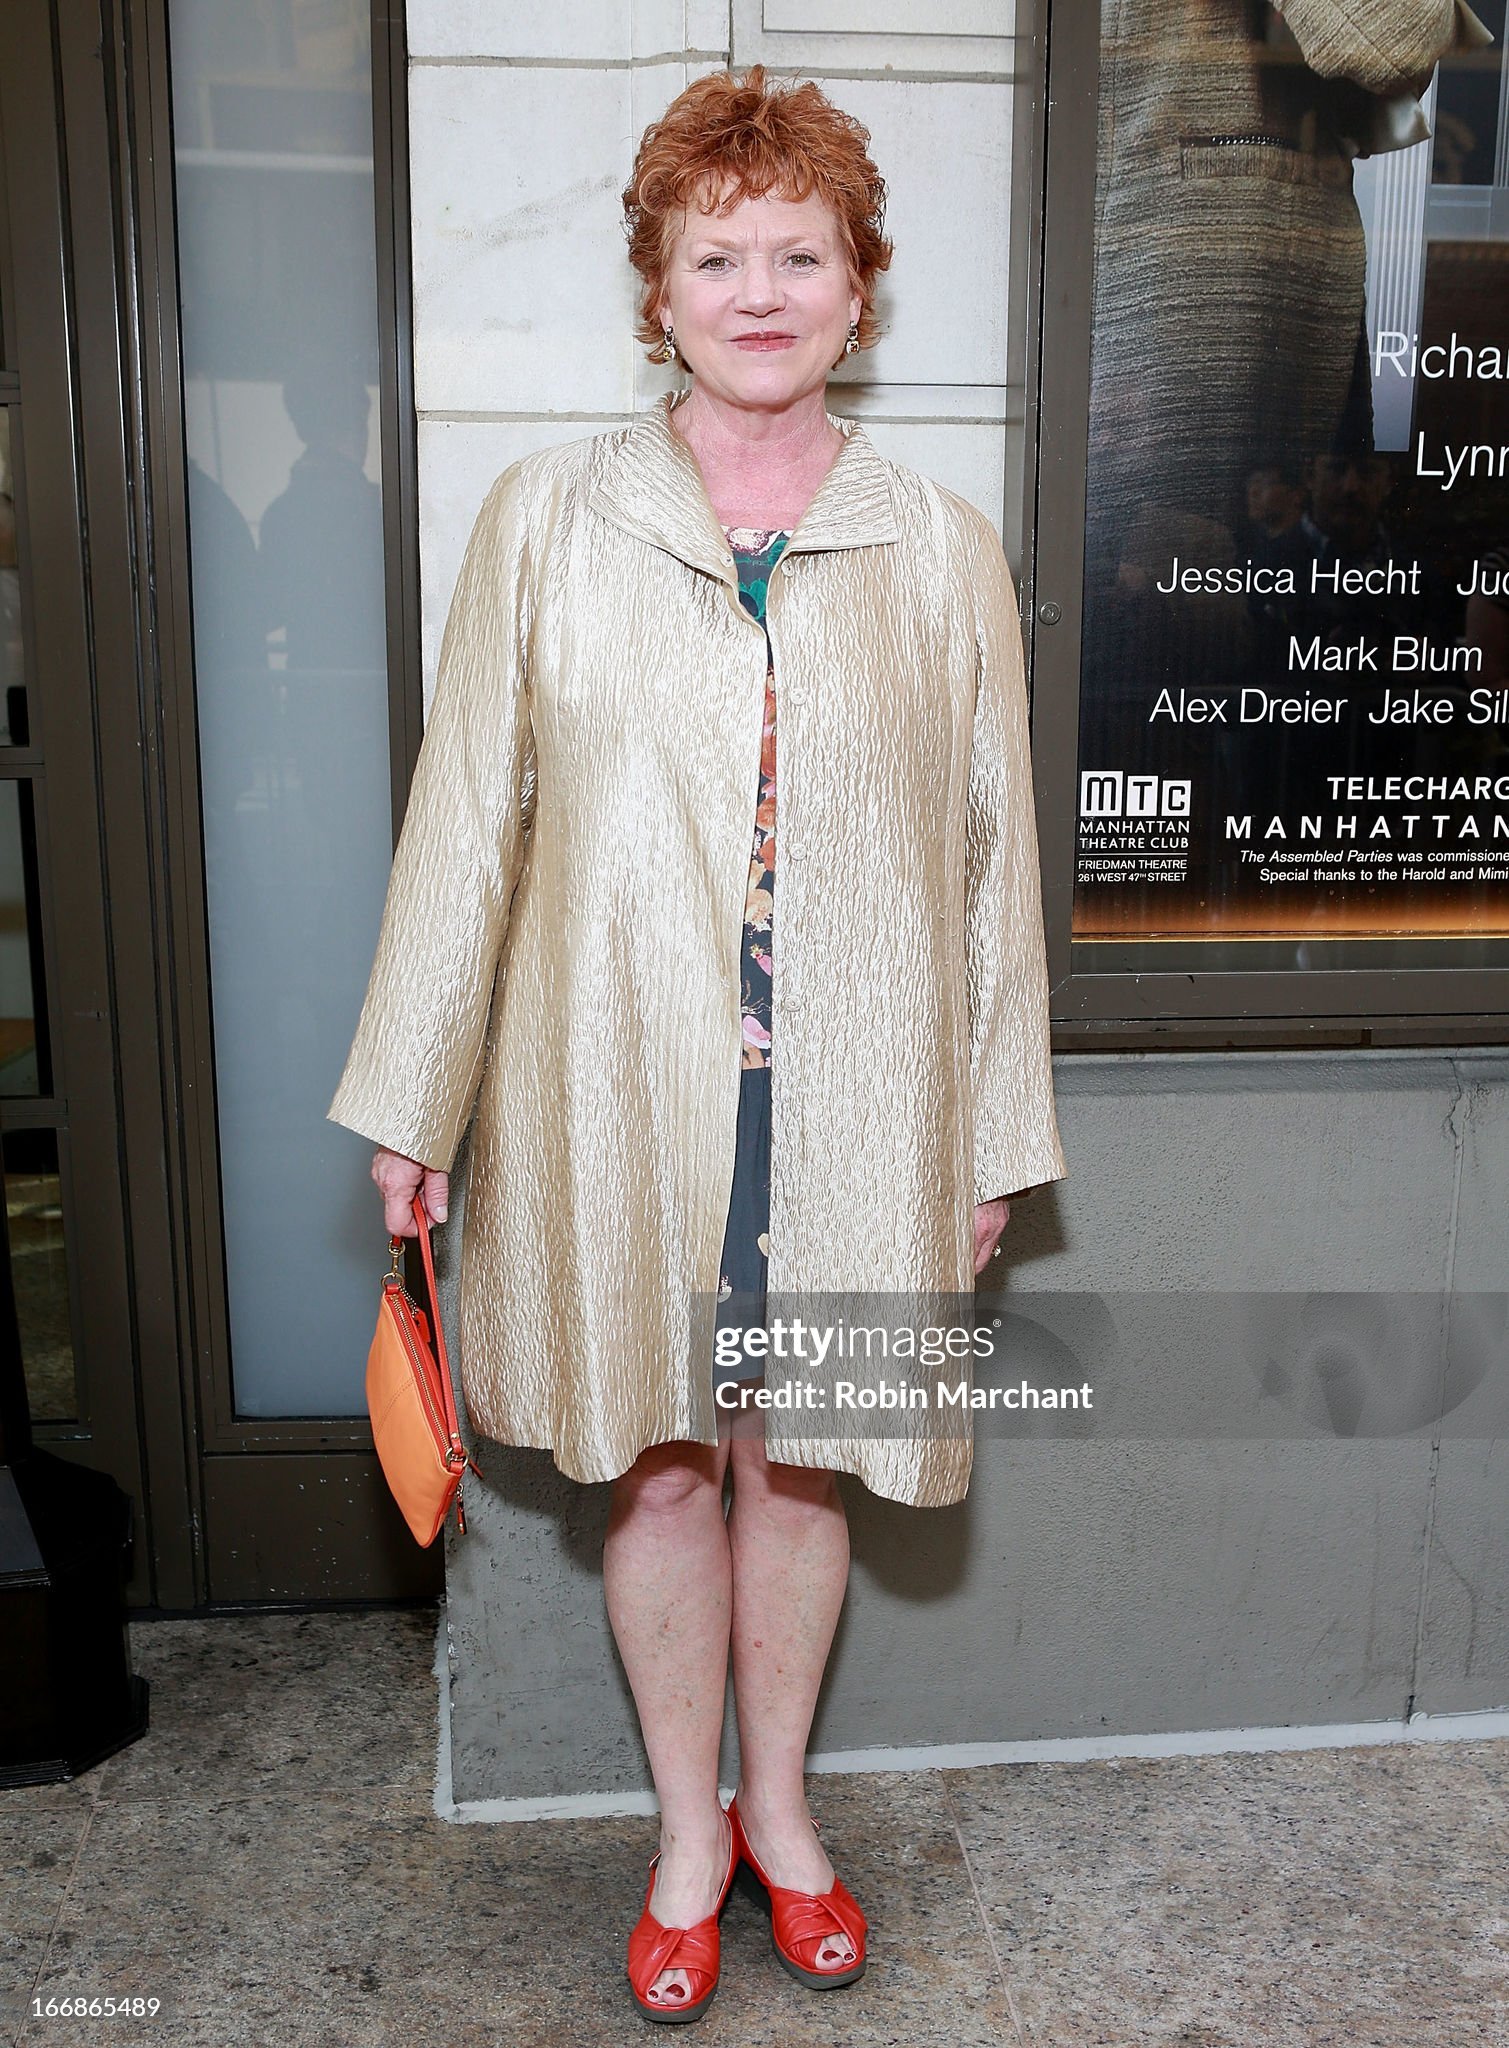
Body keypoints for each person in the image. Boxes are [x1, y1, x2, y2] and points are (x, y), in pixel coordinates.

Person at [326, 66, 1065, 2023]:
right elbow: (466, 823)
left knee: (799, 1471)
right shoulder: (546, 520)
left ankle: (782, 1819)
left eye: (797, 255)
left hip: (857, 1109)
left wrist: (989, 1140)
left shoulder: (937, 544)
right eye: (715, 256)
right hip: (609, 1096)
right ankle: (682, 1833)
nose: (759, 293)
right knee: (656, 1475)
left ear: (858, 289)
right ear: (653, 291)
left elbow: (991, 864)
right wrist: (414, 1105)